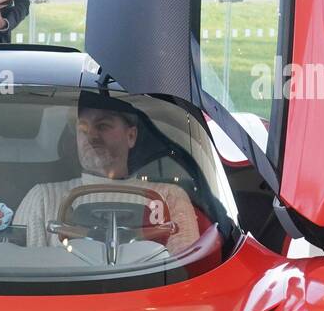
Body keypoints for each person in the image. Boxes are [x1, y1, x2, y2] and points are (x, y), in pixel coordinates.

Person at [14, 94, 199, 252]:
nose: (91, 136)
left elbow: (186, 275)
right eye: (83, 128)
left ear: (131, 136)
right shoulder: (42, 198)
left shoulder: (168, 198)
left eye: (103, 126)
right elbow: (19, 276)